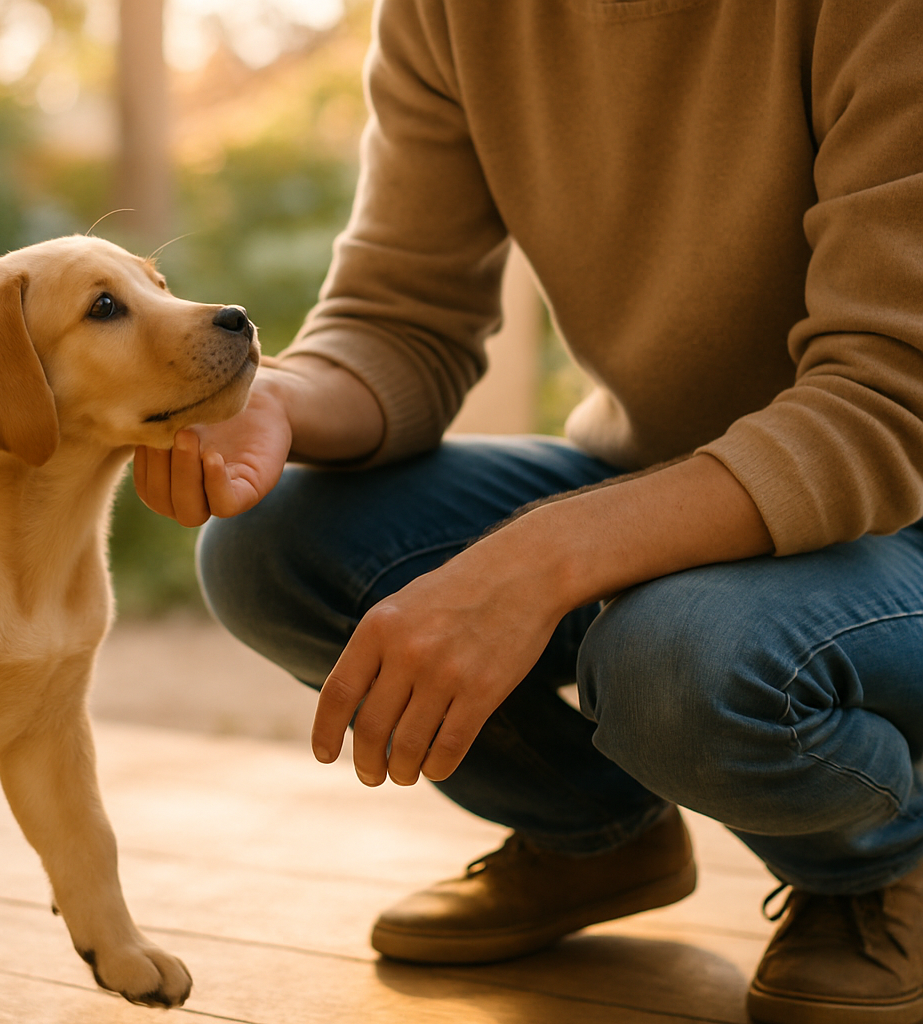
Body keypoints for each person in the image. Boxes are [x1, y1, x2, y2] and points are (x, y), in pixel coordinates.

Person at [132, 3, 923, 1022]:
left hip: (898, 521)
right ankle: (594, 838)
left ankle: (875, 865)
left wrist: (547, 559)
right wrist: (278, 400)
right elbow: (399, 320)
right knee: (268, 546)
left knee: (672, 654)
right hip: (668, 480)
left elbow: (885, 407)